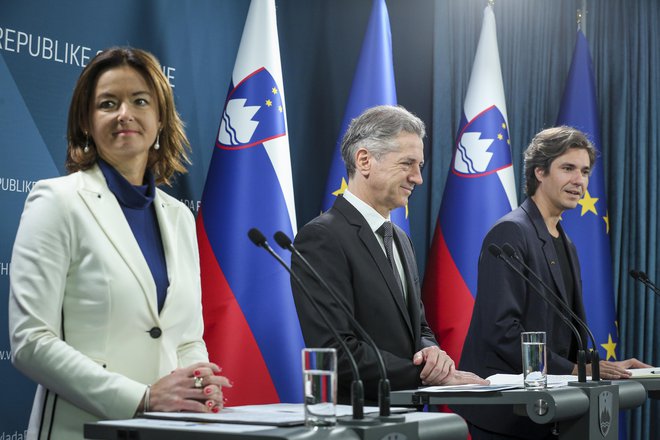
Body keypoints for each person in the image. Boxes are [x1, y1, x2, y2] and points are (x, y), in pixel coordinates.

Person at [8, 47, 230, 440]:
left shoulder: (179, 217)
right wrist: (141, 398)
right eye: (107, 104)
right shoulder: (56, 201)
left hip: (166, 431)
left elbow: (187, 336)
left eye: (140, 101)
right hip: (79, 430)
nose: (124, 113)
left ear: (160, 120)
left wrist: (198, 383)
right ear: (87, 123)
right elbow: (30, 341)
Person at [457, 126, 650, 439]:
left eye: (585, 171)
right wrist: (575, 370)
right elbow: (501, 330)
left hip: (551, 407)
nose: (580, 181)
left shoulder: (564, 241)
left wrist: (599, 366)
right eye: (568, 168)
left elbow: (563, 337)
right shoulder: (511, 233)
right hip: (509, 410)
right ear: (540, 173)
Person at [291, 105, 487, 403]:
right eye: (407, 163)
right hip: (357, 419)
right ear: (365, 160)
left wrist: (432, 353)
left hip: (406, 414)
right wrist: (424, 374)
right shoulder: (322, 238)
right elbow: (337, 351)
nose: (418, 178)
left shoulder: (400, 239)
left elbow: (416, 326)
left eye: (419, 165)